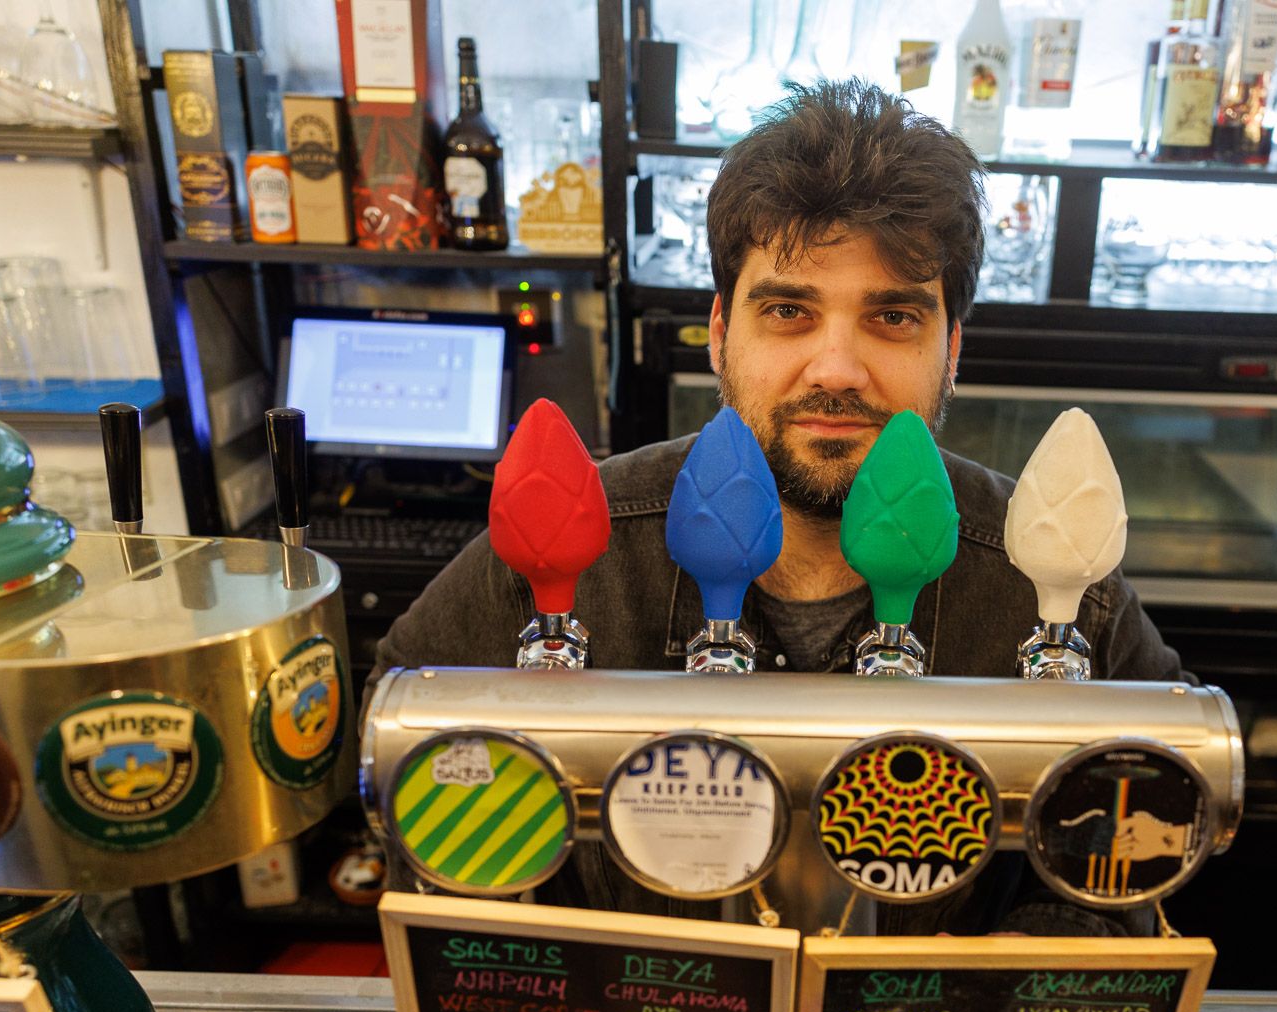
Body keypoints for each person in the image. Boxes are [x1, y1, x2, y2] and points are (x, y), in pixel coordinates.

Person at [367, 79, 1183, 935]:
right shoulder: (574, 538)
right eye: (789, 310)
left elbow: (1136, 861)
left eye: (894, 316)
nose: (836, 367)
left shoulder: (1054, 581)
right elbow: (403, 756)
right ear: (721, 334)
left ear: (952, 355)